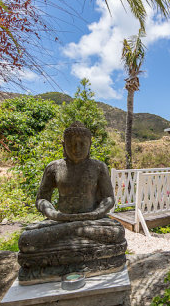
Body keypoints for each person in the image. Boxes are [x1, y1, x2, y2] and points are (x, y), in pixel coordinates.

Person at [17, 121, 126, 285]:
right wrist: (53, 214)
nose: (77, 148)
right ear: (63, 145)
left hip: (91, 221)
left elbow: (109, 199)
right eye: (71, 143)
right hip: (60, 221)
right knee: (26, 241)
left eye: (82, 143)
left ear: (90, 145)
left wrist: (96, 213)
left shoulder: (98, 167)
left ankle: (72, 230)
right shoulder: (54, 168)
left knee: (118, 233)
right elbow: (42, 199)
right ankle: (73, 229)